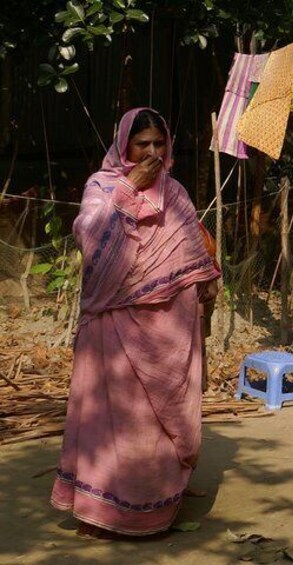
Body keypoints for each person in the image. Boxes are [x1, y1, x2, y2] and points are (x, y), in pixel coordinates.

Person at [51, 108, 221, 538]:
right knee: (115, 419)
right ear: (124, 144)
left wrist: (205, 282)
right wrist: (129, 191)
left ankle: (158, 502)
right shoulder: (102, 186)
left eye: (159, 144)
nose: (151, 152)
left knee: (159, 421)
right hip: (114, 321)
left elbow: (190, 253)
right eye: (142, 143)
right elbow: (90, 237)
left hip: (169, 326)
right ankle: (106, 510)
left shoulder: (176, 192)